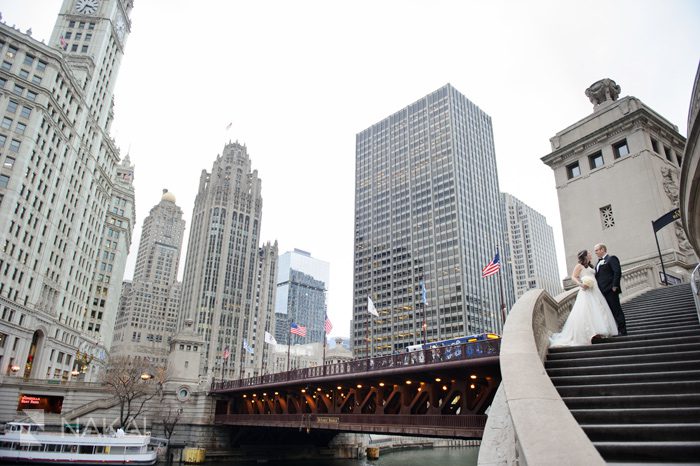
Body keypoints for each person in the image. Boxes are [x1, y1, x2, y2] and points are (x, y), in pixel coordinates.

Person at [549, 249, 618, 347]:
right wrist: (581, 284)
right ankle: (589, 334)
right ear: (585, 256)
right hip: (586, 291)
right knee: (586, 311)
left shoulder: (591, 266)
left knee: (598, 310)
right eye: (589, 254)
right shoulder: (579, 266)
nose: (591, 255)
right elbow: (573, 277)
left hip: (595, 290)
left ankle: (598, 332)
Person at [594, 243, 627, 335]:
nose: (595, 252)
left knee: (616, 310)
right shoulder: (597, 263)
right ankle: (615, 330)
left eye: (596, 250)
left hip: (611, 290)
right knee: (609, 312)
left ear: (602, 250)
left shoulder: (611, 258)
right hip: (602, 292)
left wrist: (615, 286)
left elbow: (617, 272)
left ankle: (623, 331)